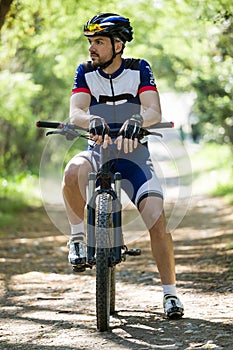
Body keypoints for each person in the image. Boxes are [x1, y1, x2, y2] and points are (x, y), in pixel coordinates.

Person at [62, 13, 184, 319]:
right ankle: (77, 239)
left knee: (157, 220)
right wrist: (91, 120)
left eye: (99, 42)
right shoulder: (85, 71)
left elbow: (154, 109)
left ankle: (170, 294)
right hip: (98, 152)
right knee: (72, 170)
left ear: (118, 45)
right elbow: (76, 112)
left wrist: (137, 120)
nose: (92, 48)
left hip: (135, 159)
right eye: (90, 42)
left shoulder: (139, 68)